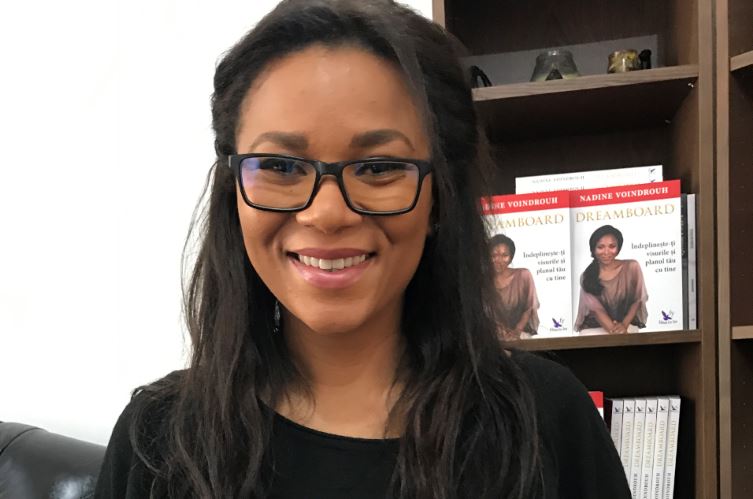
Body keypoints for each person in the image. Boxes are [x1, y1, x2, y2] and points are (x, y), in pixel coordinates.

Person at [94, 1, 631, 497]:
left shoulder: (546, 421)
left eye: (378, 167)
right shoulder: (158, 441)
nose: (327, 213)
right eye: (280, 166)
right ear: (232, 191)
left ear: (440, 197)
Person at [575, 224, 648, 335]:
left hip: (626, 325)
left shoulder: (632, 267)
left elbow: (637, 300)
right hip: (595, 328)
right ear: (593, 249)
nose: (606, 252)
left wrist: (624, 325)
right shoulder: (587, 276)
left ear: (618, 247)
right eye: (600, 247)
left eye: (612, 246)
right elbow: (597, 310)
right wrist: (616, 332)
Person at [489, 234, 539, 340]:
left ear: (511, 257)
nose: (499, 260)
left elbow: (529, 307)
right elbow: (486, 313)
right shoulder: (484, 281)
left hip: (521, 334)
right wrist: (499, 330)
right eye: (494, 255)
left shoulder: (524, 275)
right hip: (494, 335)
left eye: (504, 255)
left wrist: (517, 331)